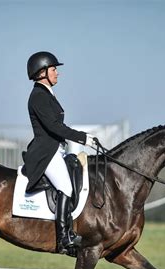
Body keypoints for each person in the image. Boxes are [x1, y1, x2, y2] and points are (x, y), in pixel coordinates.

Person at [23, 51, 98, 255]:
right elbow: (55, 126)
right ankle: (64, 237)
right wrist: (82, 137)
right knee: (65, 187)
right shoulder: (38, 96)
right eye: (54, 69)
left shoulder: (46, 93)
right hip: (45, 153)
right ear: (42, 72)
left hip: (56, 149)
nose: (58, 73)